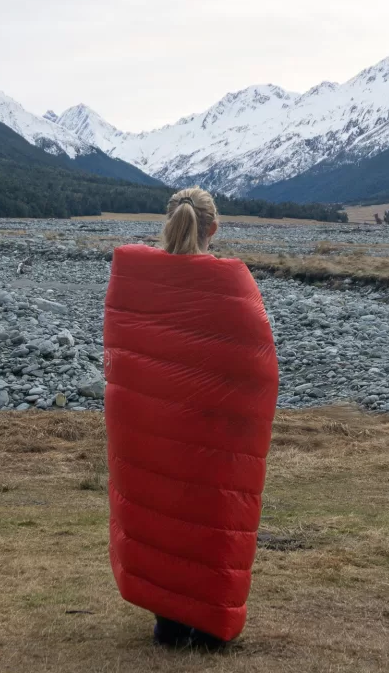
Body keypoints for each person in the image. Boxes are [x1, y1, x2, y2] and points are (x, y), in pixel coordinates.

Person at [102, 187, 280, 650]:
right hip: (213, 431)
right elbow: (257, 364)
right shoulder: (230, 282)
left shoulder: (134, 277)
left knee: (160, 504)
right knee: (213, 512)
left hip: (152, 431)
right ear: (213, 229)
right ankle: (209, 626)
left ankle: (169, 619)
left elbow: (126, 355)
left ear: (168, 222)